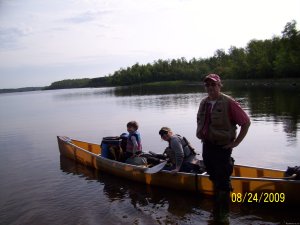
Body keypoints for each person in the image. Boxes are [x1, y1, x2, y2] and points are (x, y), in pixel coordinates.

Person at [196, 73, 251, 194]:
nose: (210, 87)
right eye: (207, 85)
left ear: (219, 85)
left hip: (222, 146)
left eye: (213, 84)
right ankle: (218, 201)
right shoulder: (203, 102)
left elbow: (246, 123)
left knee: (223, 178)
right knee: (212, 173)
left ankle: (224, 207)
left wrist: (236, 143)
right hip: (207, 145)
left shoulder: (228, 102)